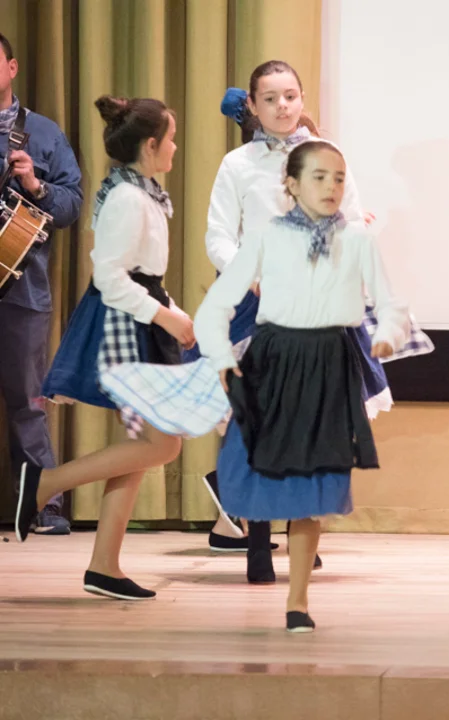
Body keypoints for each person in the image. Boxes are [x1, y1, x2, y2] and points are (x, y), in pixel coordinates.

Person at [194, 138, 409, 631]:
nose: (331, 186)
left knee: (315, 485)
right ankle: (257, 548)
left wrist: (390, 335)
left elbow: (391, 303)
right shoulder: (266, 236)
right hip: (273, 360)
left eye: (339, 178)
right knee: (261, 469)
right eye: (319, 176)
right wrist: (222, 357)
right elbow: (218, 304)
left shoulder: (358, 240)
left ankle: (298, 601)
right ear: (290, 184)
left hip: (330, 363)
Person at [20, 95, 192, 602]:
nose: (176, 147)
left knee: (145, 447)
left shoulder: (144, 194)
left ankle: (103, 565)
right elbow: (111, 278)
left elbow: (147, 276)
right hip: (125, 325)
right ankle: (46, 482)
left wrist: (175, 313)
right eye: (171, 138)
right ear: (150, 145)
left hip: (144, 320)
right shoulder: (128, 199)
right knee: (163, 443)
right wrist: (166, 316)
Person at [0, 32, 82, 535]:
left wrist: (35, 185)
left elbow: (71, 206)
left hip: (23, 289)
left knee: (28, 400)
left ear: (12, 68)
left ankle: (43, 504)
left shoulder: (44, 133)